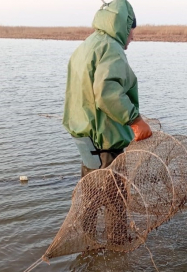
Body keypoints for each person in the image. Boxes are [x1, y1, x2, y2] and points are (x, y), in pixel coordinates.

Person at [62, 0, 152, 247]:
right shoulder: (110, 48)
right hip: (106, 145)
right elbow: (107, 93)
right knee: (117, 202)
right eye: (132, 31)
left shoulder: (87, 45)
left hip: (87, 144)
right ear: (124, 25)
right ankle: (118, 250)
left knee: (90, 201)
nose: (132, 38)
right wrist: (134, 119)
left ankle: (87, 247)